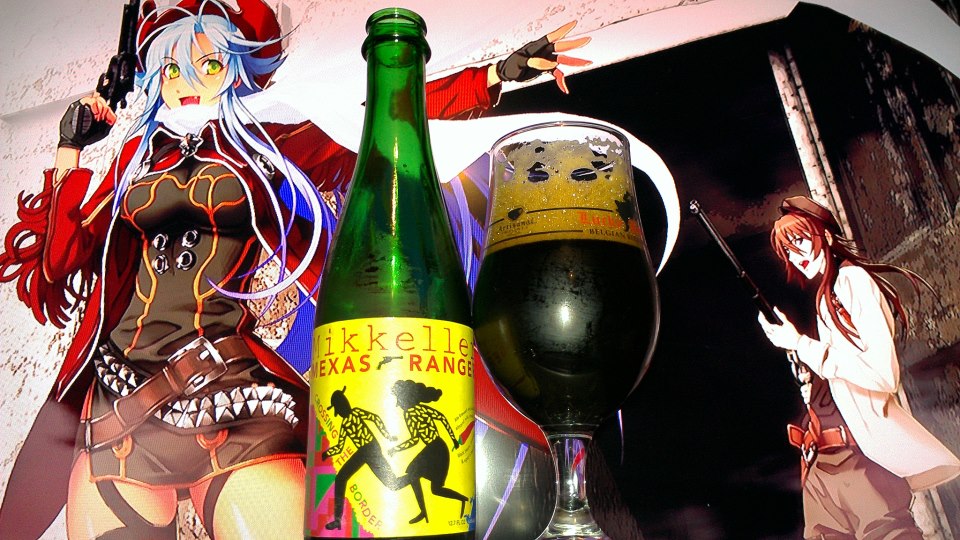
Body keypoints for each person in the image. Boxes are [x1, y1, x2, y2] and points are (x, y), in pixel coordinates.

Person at [0, 1, 589, 538]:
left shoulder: (266, 139)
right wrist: (70, 150)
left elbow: (382, 120)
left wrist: (496, 76)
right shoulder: (136, 157)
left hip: (227, 392)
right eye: (171, 69)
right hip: (122, 401)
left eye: (208, 64)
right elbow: (59, 261)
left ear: (238, 66)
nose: (186, 84)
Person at [757, 195, 960, 539]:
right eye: (787, 251)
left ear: (826, 235)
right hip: (826, 459)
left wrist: (802, 344)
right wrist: (810, 372)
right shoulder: (828, 295)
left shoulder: (853, 282)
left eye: (800, 241)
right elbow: (843, 368)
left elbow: (881, 374)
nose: (795, 256)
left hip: (860, 457)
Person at [389, 379, 468, 525]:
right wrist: (453, 440)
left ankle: (424, 511)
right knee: (435, 489)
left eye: (399, 398)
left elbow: (415, 439)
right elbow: (442, 418)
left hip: (434, 448)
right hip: (439, 447)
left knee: (413, 473)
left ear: (406, 398)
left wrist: (396, 449)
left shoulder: (410, 413)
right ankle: (462, 500)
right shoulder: (422, 409)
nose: (398, 403)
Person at [320, 387, 400, 531]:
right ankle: (338, 519)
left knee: (392, 482)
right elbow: (340, 447)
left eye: (338, 407)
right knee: (341, 478)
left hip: (371, 448)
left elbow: (374, 418)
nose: (339, 411)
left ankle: (413, 478)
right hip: (363, 451)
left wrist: (387, 435)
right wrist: (327, 453)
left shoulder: (356, 412)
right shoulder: (345, 424)